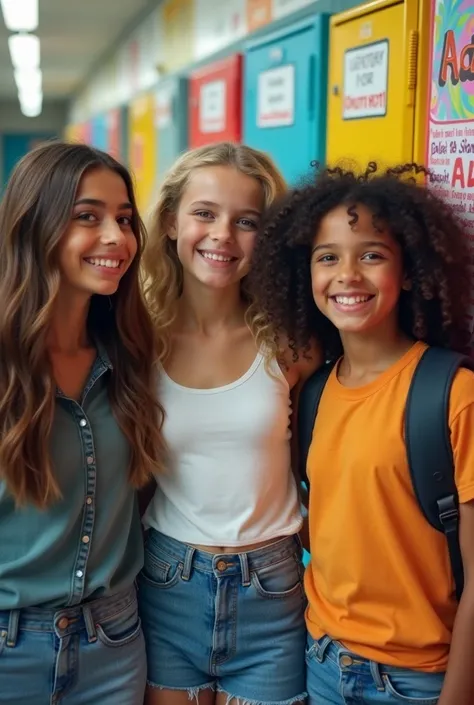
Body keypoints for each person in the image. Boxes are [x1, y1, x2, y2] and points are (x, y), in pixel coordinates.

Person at [249, 162, 474, 705]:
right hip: (322, 662)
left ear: (411, 271)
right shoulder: (312, 393)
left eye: (371, 255)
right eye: (327, 258)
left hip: (420, 680)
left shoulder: (453, 394)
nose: (347, 275)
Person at [139, 142, 321, 705]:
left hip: (274, 585)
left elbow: (315, 464)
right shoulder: (136, 338)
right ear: (170, 221)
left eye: (247, 222)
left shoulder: (292, 341)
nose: (223, 235)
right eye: (204, 213)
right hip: (167, 583)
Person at [0, 141, 165, 705]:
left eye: (124, 219)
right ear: (35, 225)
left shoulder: (131, 357)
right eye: (87, 217)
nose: (117, 239)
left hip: (113, 647)